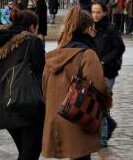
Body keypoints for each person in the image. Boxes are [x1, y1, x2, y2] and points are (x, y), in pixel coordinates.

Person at [42, 8, 112, 160]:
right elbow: (100, 86)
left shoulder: (54, 55)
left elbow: (44, 88)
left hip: (56, 116)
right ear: (89, 29)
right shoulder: (87, 54)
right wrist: (107, 103)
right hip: (78, 117)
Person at [0, 8, 45, 160]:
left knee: (25, 152)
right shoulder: (32, 41)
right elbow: (42, 72)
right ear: (32, 27)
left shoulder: (2, 42)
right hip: (27, 105)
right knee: (30, 153)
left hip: (6, 105)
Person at [92, 2, 125, 148]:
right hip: (92, 70)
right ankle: (107, 126)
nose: (95, 15)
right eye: (93, 12)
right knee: (95, 103)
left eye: (98, 12)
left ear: (105, 12)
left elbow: (119, 47)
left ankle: (103, 138)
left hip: (107, 71)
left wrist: (104, 61)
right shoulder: (91, 28)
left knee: (102, 104)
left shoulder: (110, 28)